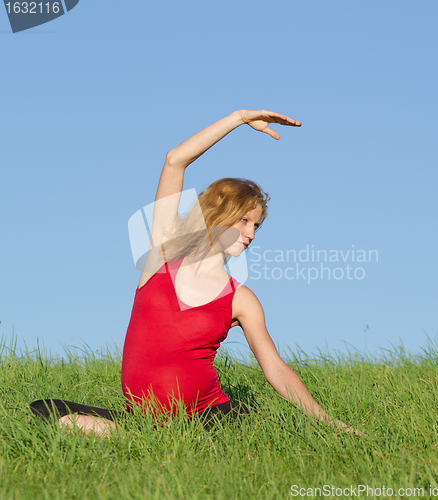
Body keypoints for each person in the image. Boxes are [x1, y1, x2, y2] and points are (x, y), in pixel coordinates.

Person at [30, 109, 364, 437]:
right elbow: (175, 159)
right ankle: (141, 435)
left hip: (207, 416)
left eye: (256, 226)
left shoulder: (241, 299)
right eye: (243, 220)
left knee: (239, 429)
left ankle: (153, 439)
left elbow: (274, 368)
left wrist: (332, 423)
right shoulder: (163, 254)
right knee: (49, 413)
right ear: (219, 213)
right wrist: (240, 118)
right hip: (143, 415)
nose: (250, 233)